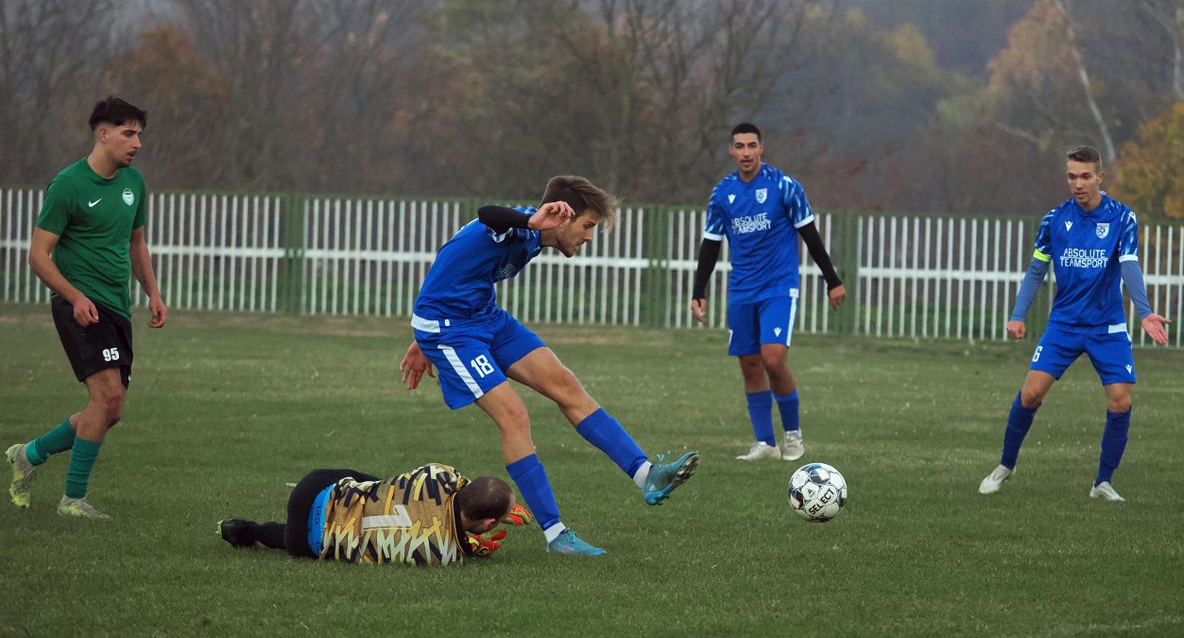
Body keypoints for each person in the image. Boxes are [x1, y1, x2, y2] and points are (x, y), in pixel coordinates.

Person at [400, 175, 699, 556]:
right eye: (587, 225)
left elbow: (454, 260)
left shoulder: (532, 235)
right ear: (561, 218)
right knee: (515, 416)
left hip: (485, 318)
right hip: (451, 331)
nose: (589, 236)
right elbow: (485, 214)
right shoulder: (514, 227)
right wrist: (426, 335)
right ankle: (556, 535)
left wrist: (417, 337)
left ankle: (647, 476)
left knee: (566, 385)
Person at [5, 96, 168, 519]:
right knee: (107, 395)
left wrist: (152, 292)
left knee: (109, 410)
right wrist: (75, 296)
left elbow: (137, 243)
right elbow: (38, 255)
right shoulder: (68, 185)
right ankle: (72, 500)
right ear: (103, 134)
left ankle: (29, 455)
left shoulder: (135, 184)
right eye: (129, 134)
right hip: (78, 305)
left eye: (139, 135)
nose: (137, 144)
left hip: (117, 308)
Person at [978, 145, 1170, 502]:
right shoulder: (1054, 219)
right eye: (1071, 176)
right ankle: (1005, 465)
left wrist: (1144, 312)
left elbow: (1130, 266)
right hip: (1064, 324)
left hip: (1106, 326)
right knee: (1031, 392)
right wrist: (1018, 314)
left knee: (1120, 401)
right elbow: (1036, 269)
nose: (1077, 183)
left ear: (1100, 177)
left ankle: (1103, 482)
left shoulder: (1122, 218)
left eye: (1085, 176)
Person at [690, 122, 845, 462]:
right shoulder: (722, 194)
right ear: (731, 151)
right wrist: (698, 291)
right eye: (739, 146)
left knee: (773, 357)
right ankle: (766, 444)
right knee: (749, 364)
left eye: (751, 146)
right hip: (742, 289)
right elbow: (710, 245)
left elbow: (810, 234)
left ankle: (792, 435)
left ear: (761, 149)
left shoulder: (784, 186)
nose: (745, 152)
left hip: (778, 286)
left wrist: (831, 280)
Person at [218, 463, 533, 565]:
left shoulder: (440, 475)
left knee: (382, 486)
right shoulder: (446, 554)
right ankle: (250, 530)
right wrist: (476, 548)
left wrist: (493, 503)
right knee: (282, 536)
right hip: (310, 542)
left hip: (314, 489)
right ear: (490, 523)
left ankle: (238, 528)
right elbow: (463, 546)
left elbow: (460, 485)